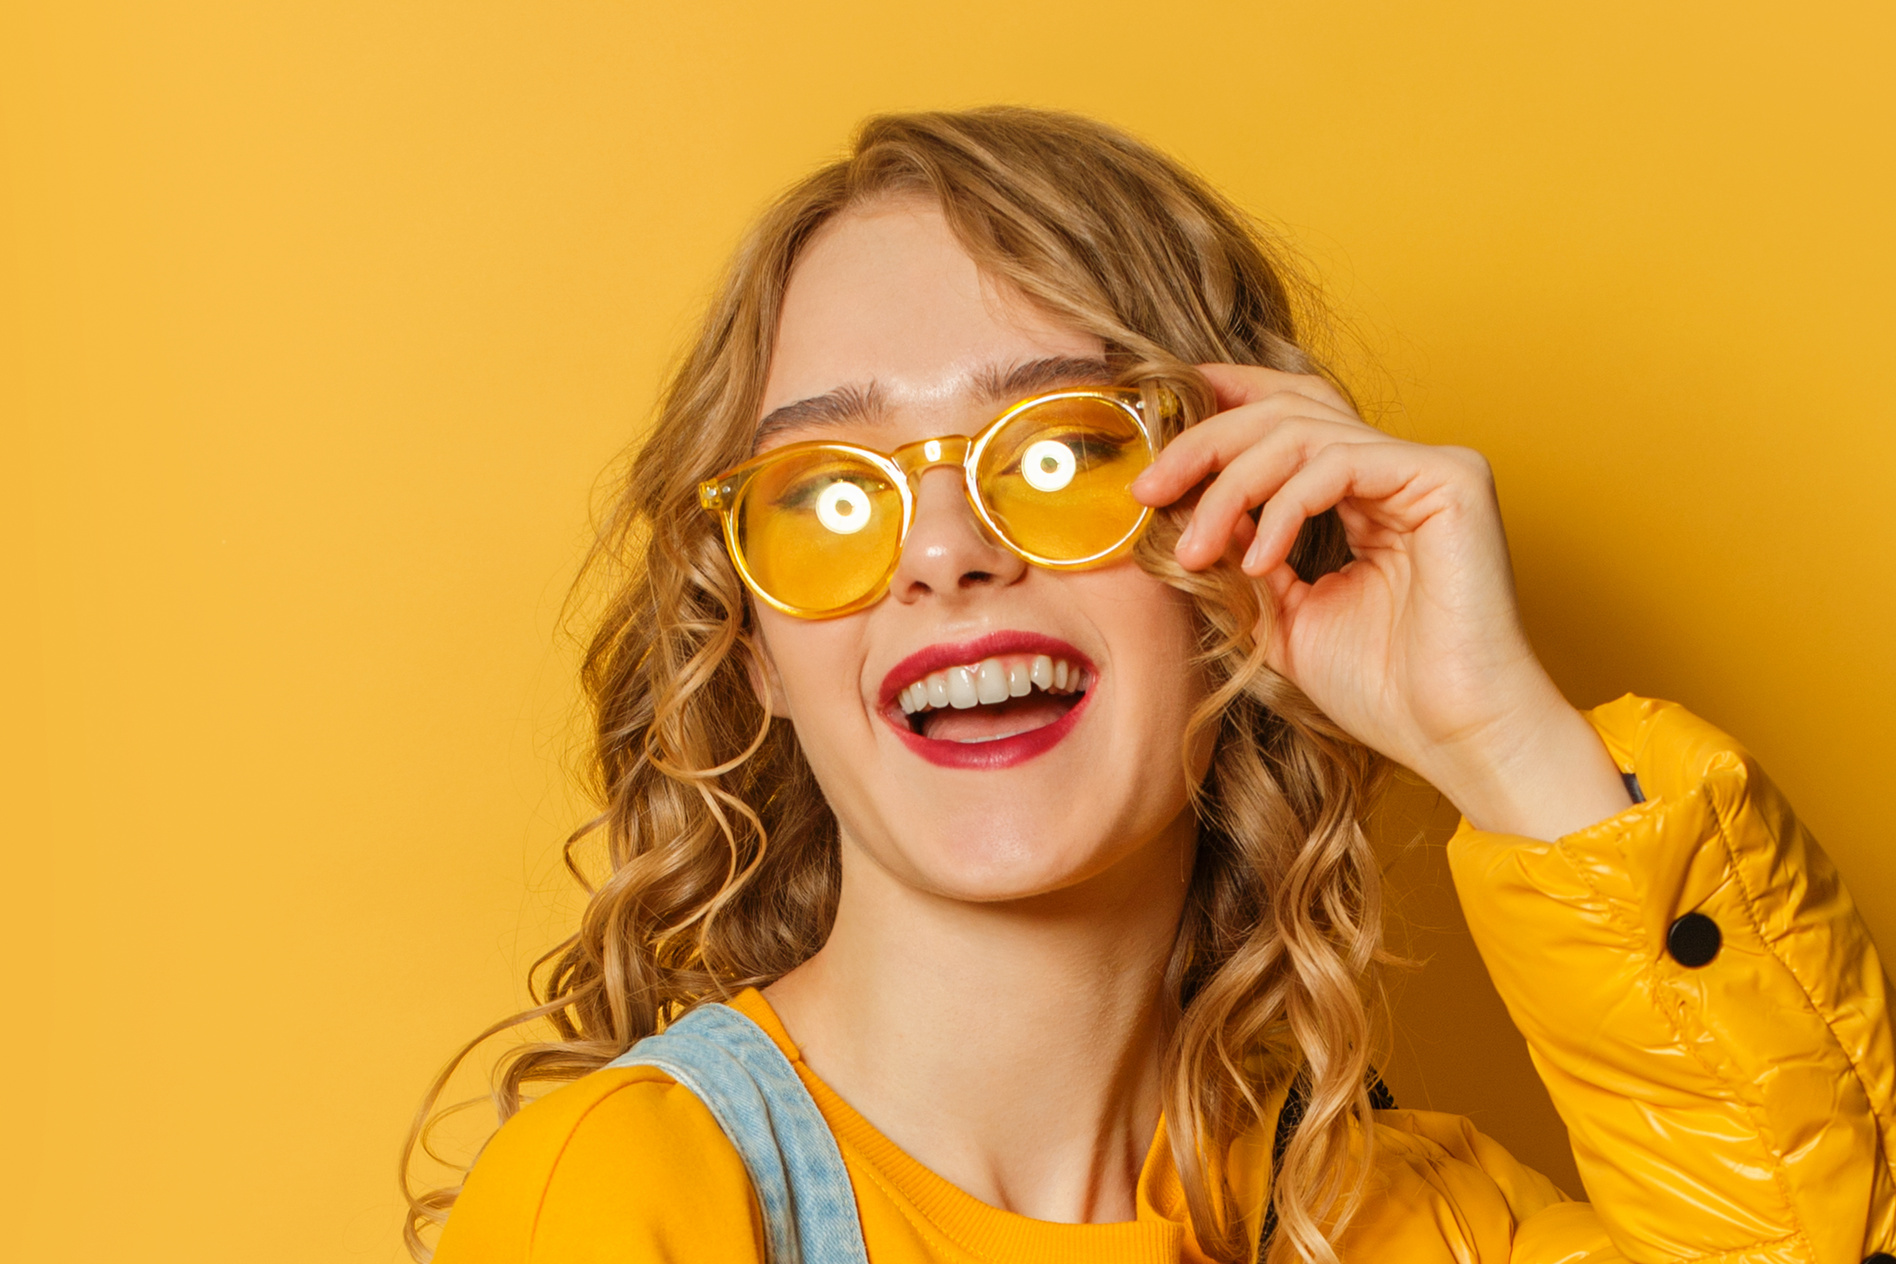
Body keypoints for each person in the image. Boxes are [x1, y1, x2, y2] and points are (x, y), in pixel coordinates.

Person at [406, 108, 1894, 1263]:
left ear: (1244, 543)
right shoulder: (636, 1194)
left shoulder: (1411, 1220)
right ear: (754, 655)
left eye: (1061, 455)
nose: (945, 551)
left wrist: (1503, 741)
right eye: (831, 495)